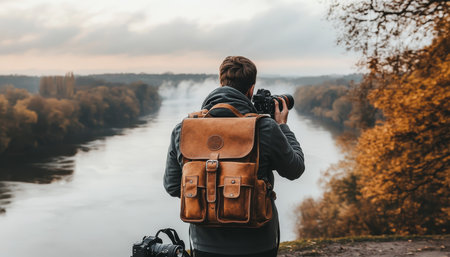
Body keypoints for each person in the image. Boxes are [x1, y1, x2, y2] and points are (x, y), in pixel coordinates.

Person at [164, 56, 305, 257]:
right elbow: (295, 169)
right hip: (258, 243)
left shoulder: (184, 129)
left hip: (205, 243)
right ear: (251, 89)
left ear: (221, 82)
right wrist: (283, 126)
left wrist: (210, 196)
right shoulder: (265, 127)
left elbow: (172, 186)